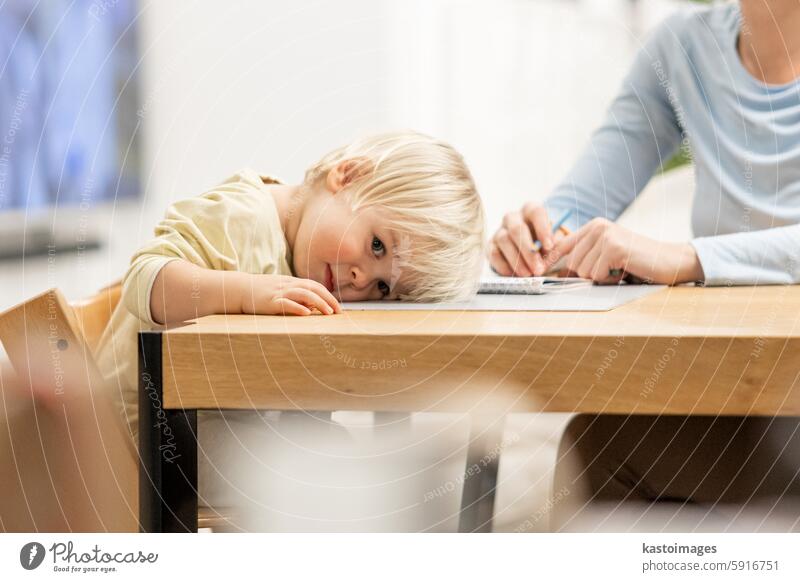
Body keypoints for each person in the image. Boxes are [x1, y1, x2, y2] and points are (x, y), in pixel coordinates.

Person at [488, 1, 800, 530]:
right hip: (739, 386)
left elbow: (683, 261)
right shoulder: (684, 49)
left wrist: (689, 258)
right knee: (603, 441)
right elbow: (583, 202)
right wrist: (538, 237)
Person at [94, 130, 485, 527]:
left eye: (384, 287)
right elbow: (144, 279)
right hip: (142, 441)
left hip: (212, 430)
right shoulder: (243, 217)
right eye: (378, 246)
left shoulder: (305, 252)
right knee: (334, 485)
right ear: (347, 176)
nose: (361, 278)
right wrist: (246, 292)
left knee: (344, 461)